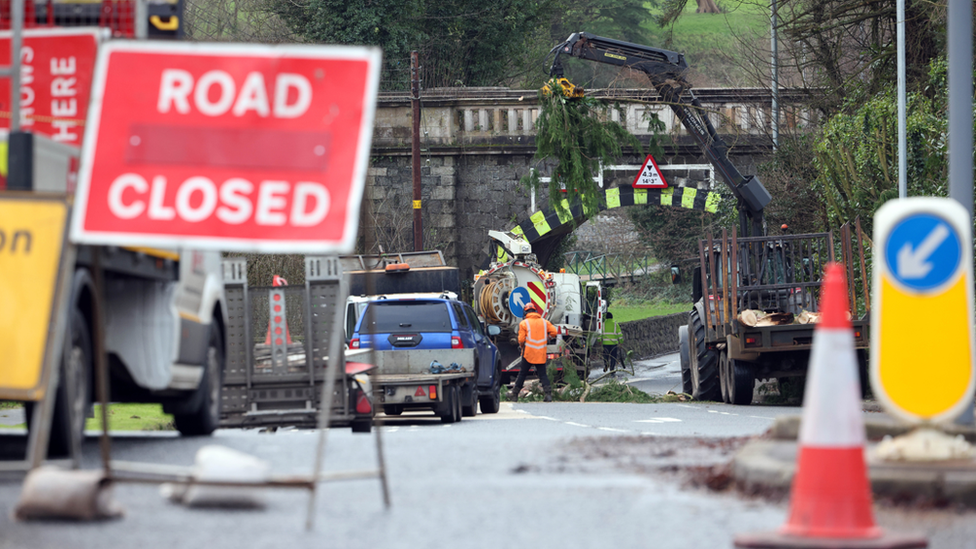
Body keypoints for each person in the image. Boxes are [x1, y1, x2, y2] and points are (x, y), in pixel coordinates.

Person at [510, 302, 559, 402]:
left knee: (522, 374)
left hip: (528, 353)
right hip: (540, 353)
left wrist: (522, 346)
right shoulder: (544, 322)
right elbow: (554, 332)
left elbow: (521, 340)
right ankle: (548, 394)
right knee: (543, 375)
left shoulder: (524, 323)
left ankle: (515, 394)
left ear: (525, 312)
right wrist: (547, 338)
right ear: (535, 311)